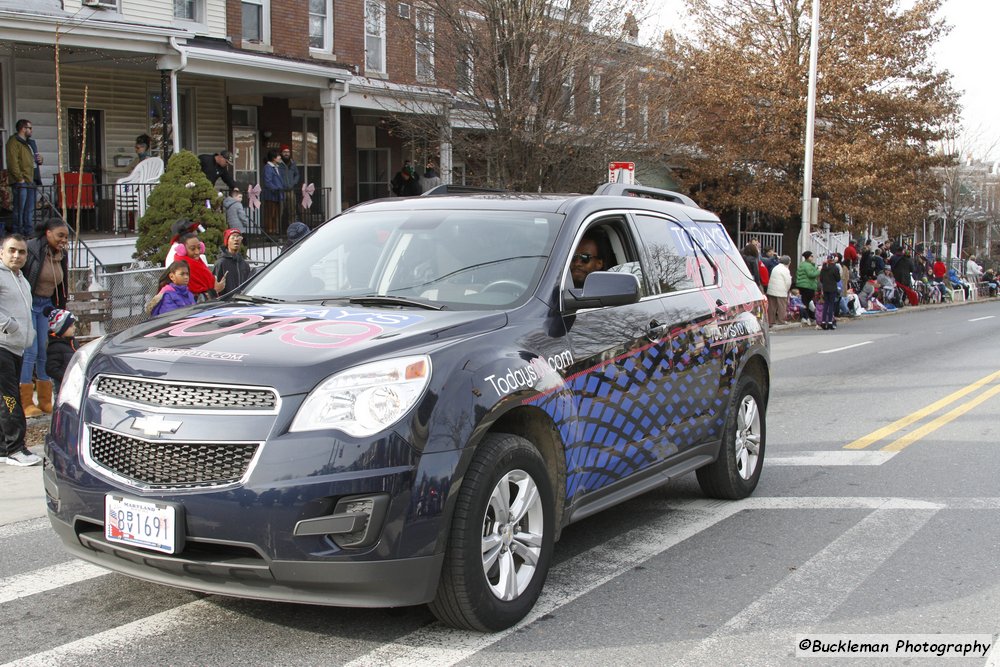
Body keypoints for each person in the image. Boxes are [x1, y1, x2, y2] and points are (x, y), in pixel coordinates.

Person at [20, 218, 69, 417]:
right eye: (60, 235)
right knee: (30, 352)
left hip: (46, 306)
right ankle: (25, 403)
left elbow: (62, 282)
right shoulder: (32, 249)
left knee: (43, 350)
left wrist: (60, 309)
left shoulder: (61, 254)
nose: (63, 240)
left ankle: (45, 401)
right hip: (30, 304)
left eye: (65, 236)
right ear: (48, 233)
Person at [0, 234, 41, 466]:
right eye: (12, 250)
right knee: (10, 398)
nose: (17, 255)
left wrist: (29, 333)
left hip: (16, 347)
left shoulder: (22, 279)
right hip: (2, 346)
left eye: (22, 251)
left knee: (4, 398)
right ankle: (16, 449)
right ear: (1, 253)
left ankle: (4, 447)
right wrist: (8, 325)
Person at [5, 119, 38, 237]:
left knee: (29, 209)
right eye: (30, 128)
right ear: (23, 129)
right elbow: (12, 162)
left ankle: (28, 231)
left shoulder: (29, 143)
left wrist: (40, 160)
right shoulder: (13, 142)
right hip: (21, 181)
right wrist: (20, 179)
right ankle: (17, 232)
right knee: (20, 209)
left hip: (31, 179)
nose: (31, 130)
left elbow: (32, 159)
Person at [173, 232, 225, 300]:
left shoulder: (198, 262)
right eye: (192, 249)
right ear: (182, 250)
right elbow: (189, 296)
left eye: (199, 248)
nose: (197, 252)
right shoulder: (182, 268)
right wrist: (215, 290)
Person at [44, 307, 77, 397]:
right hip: (62, 385)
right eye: (71, 326)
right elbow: (51, 369)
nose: (74, 328)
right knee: (61, 403)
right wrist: (65, 377)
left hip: (75, 382)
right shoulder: (55, 347)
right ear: (61, 328)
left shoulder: (72, 342)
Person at [213, 229, 251, 297]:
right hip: (226, 304)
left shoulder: (245, 265)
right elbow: (214, 287)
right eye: (233, 237)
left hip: (242, 302)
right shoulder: (221, 263)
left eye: (238, 237)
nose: (236, 239)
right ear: (227, 241)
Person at [261, 149, 283, 235]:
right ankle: (269, 233)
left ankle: (274, 230)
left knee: (275, 215)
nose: (280, 157)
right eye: (278, 156)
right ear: (274, 158)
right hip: (271, 195)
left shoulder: (276, 167)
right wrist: (276, 189)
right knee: (270, 215)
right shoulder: (268, 168)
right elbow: (268, 182)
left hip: (277, 195)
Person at [765, 255, 792, 325]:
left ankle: (771, 321)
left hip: (771, 289)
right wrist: (787, 289)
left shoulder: (775, 267)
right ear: (788, 262)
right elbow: (788, 281)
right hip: (781, 290)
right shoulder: (785, 270)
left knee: (772, 306)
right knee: (782, 306)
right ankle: (781, 320)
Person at [795, 250, 820, 325]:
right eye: (811, 256)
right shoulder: (808, 265)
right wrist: (818, 270)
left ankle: (805, 317)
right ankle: (806, 317)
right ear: (808, 257)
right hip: (808, 286)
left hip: (801, 285)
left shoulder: (802, 264)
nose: (812, 258)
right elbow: (811, 274)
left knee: (804, 301)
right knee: (806, 302)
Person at [279, 145, 301, 228]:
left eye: (288, 152)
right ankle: (278, 230)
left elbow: (297, 174)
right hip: (281, 191)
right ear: (281, 153)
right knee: (280, 211)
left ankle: (292, 228)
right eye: (284, 152)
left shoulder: (293, 163)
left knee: (292, 210)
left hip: (291, 190)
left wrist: (294, 183)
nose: (286, 154)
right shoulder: (278, 163)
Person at [818, 253, 840, 330]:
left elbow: (821, 279)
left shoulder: (823, 268)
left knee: (825, 304)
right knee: (831, 305)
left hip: (825, 288)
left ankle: (823, 322)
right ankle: (830, 322)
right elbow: (838, 279)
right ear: (833, 260)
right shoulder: (835, 268)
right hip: (832, 287)